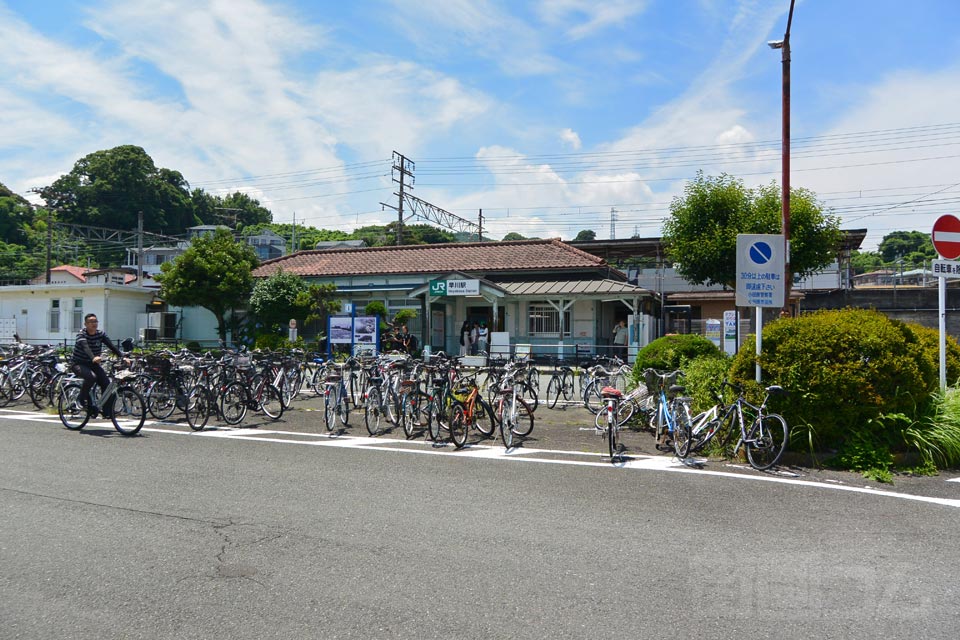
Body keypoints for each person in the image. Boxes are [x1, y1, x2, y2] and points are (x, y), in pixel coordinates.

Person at [72, 313, 128, 417]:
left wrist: (122, 357)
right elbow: (85, 347)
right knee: (91, 377)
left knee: (107, 384)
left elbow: (111, 346)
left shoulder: (100, 334)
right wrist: (93, 357)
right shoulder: (81, 334)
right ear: (85, 324)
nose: (94, 324)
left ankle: (106, 411)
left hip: (93, 364)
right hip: (79, 363)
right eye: (91, 322)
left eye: (95, 321)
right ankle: (80, 399)